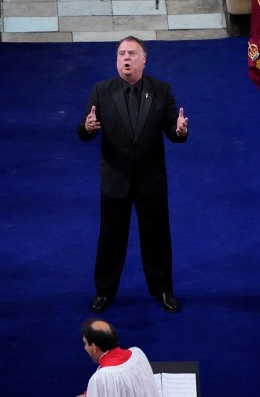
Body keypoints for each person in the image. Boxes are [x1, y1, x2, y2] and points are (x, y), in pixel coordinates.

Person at [77, 36, 188, 313]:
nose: (126, 58)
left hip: (151, 180)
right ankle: (104, 291)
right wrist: (88, 127)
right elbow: (84, 130)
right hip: (116, 180)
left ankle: (163, 290)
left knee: (157, 238)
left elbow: (173, 131)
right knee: (110, 239)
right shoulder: (101, 90)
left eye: (132, 53)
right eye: (121, 54)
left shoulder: (161, 90)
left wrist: (180, 130)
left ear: (144, 59)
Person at [77, 319, 159, 397]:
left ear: (94, 348)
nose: (85, 347)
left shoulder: (100, 377)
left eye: (85, 343)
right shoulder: (138, 354)